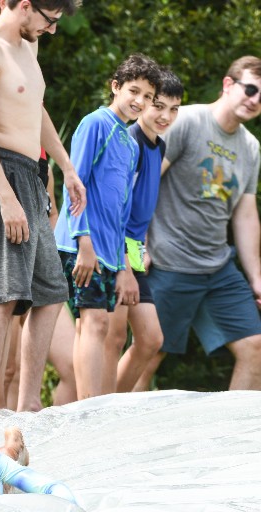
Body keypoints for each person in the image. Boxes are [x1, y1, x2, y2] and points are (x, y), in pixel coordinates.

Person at [0, 0, 84, 411]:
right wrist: (5, 197)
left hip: (31, 174)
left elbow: (37, 110)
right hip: (0, 175)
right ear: (25, 5)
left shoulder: (28, 48)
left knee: (50, 292)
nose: (51, 30)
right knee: (1, 297)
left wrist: (66, 167)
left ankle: (29, 404)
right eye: (49, 20)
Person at [137, 56, 261, 391]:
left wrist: (257, 277)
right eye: (251, 89)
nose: (255, 99)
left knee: (255, 348)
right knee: (147, 356)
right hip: (169, 263)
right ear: (228, 85)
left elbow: (246, 215)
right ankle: (110, 433)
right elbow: (143, 182)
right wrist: (138, 244)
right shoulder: (187, 121)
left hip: (218, 268)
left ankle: (237, 441)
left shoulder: (251, 147)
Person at [55, 54, 161, 400]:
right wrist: (83, 241)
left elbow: (122, 213)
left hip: (110, 254)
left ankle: (99, 406)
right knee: (94, 324)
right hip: (82, 246)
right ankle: (88, 410)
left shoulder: (131, 145)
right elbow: (75, 184)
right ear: (115, 87)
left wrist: (125, 266)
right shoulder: (96, 123)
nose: (140, 101)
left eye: (147, 97)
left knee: (102, 330)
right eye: (134, 91)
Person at [104, 68, 182, 393]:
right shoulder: (129, 142)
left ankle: (112, 407)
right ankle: (95, 409)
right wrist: (124, 260)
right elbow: (115, 205)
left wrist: (144, 246)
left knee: (151, 340)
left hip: (135, 249)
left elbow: (142, 204)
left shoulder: (159, 146)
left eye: (174, 109)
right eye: (158, 105)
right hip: (114, 247)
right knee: (113, 337)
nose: (165, 116)